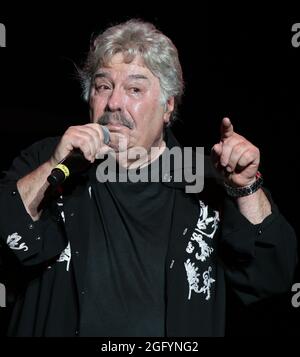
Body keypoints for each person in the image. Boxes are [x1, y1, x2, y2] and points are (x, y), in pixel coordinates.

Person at [0, 19, 297, 337]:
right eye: (103, 86)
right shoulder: (50, 158)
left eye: (135, 89)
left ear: (168, 105)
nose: (114, 103)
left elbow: (272, 278)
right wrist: (53, 167)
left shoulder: (207, 175)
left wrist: (247, 189)